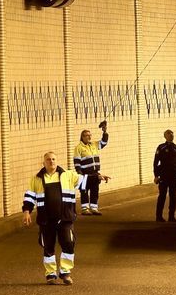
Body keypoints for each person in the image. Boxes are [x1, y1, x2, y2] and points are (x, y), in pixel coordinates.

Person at [22, 151, 82, 285]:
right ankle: (51, 274)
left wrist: (97, 177)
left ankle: (65, 273)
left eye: (54, 159)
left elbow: (85, 181)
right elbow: (30, 197)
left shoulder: (68, 175)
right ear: (43, 163)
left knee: (68, 243)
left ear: (57, 160)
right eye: (48, 160)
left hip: (65, 218)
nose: (51, 161)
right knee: (48, 246)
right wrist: (26, 211)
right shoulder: (36, 179)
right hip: (46, 220)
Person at [73, 121, 110, 215]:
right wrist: (79, 172)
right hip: (84, 173)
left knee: (95, 190)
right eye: (86, 135)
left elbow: (104, 142)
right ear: (82, 137)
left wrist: (104, 132)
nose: (89, 137)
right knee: (84, 191)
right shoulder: (79, 148)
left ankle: (94, 208)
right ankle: (85, 208)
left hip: (94, 173)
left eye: (90, 135)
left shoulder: (94, 145)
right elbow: (76, 161)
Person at [153, 129, 176, 222]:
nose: (171, 136)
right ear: (165, 136)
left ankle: (171, 216)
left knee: (173, 195)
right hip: (164, 174)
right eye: (169, 135)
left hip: (173, 175)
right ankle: (159, 216)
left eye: (172, 135)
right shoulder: (161, 147)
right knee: (162, 195)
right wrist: (156, 175)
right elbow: (155, 162)